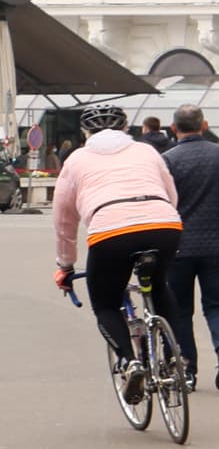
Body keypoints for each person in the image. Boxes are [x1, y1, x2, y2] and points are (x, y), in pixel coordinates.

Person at [49, 117, 187, 395]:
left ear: (85, 133)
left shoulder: (76, 160)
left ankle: (129, 361)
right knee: (159, 286)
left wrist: (66, 264)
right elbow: (172, 194)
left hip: (110, 231)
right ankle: (175, 356)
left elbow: (64, 220)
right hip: (164, 224)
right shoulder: (146, 151)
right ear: (126, 130)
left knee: (106, 304)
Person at [158, 105, 219, 392]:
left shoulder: (166, 161)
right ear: (205, 125)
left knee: (180, 310)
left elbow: (160, 203)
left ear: (173, 129)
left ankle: (187, 368)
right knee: (216, 306)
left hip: (178, 247)